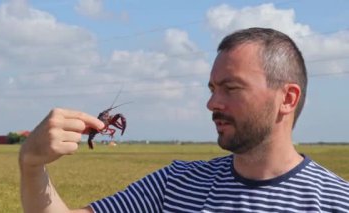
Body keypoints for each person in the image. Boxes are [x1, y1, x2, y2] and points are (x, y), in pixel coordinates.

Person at [19, 27, 349, 213]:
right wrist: (32, 165)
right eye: (212, 89)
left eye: (231, 88)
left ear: (287, 99)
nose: (212, 103)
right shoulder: (174, 183)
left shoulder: (336, 203)